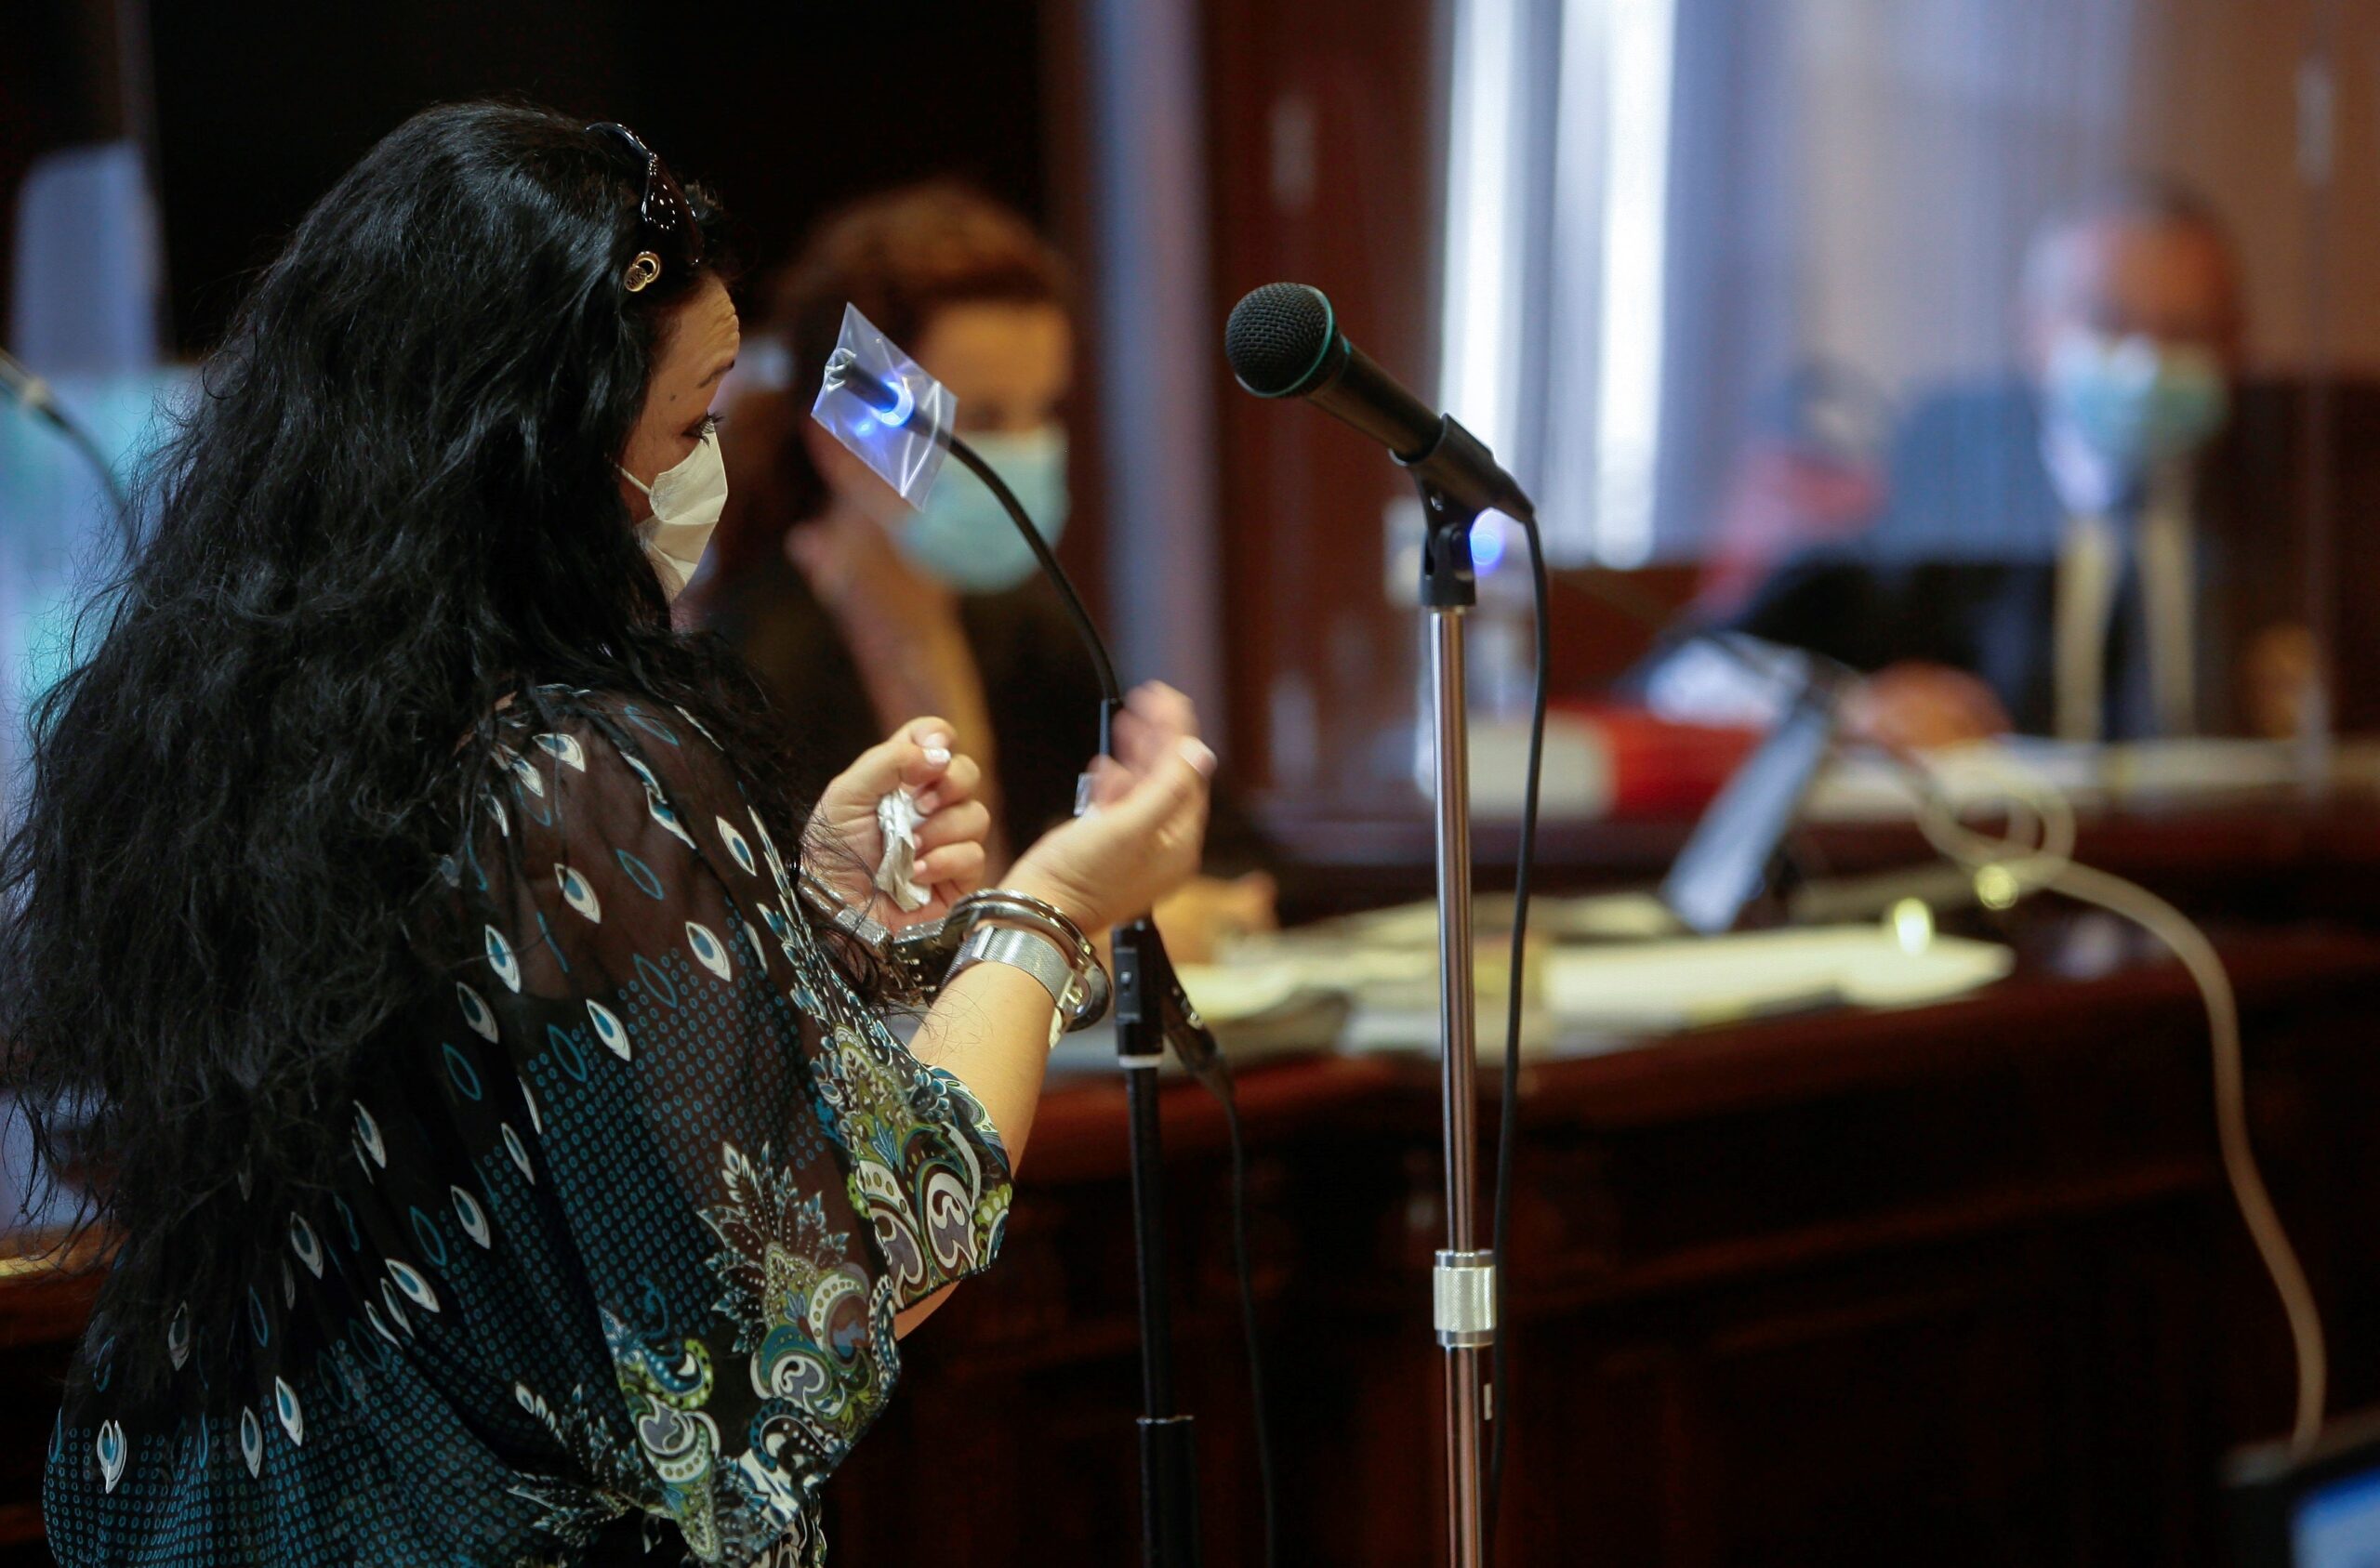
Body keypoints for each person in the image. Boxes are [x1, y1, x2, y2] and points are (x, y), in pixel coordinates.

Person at [0, 104, 1213, 1567]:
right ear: (544, 449)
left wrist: (785, 910)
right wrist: (1051, 910)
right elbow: (841, 1282)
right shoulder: (577, 757)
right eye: (690, 427)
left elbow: (504, 1069)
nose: (708, 468)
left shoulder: (241, 728)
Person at [694, 184, 1273, 958]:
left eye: (1045, 411)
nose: (1030, 450)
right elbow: (792, 958)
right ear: (847, 440)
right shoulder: (749, 667)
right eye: (990, 419)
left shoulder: (1030, 623)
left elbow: (1243, 866)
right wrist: (1083, 932)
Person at [1660, 177, 2315, 749]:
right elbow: (1692, 673)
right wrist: (1850, 708)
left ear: (2237, 345)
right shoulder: (1948, 494)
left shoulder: (2308, 500)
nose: (2147, 364)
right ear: (2035, 329)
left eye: (2185, 333)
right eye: (2109, 322)